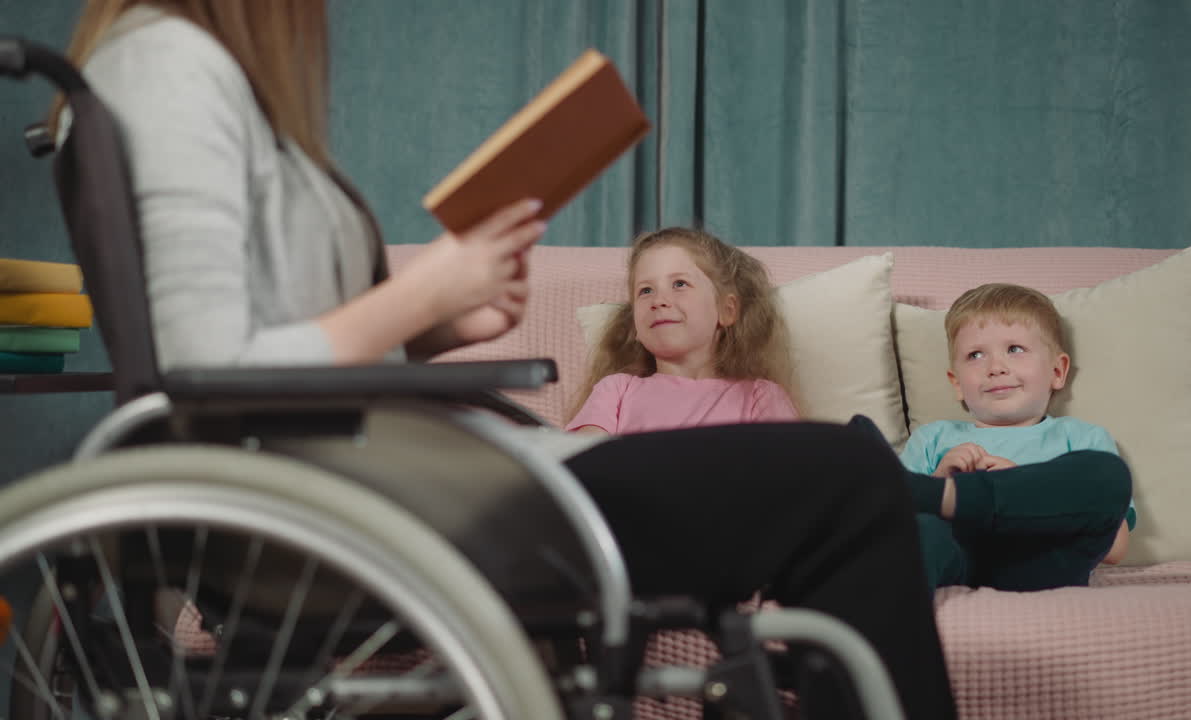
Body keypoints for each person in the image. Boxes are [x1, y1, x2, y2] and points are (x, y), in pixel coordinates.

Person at [56, 2, 956, 717]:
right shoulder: (169, 67)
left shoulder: (205, 75)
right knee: (848, 473)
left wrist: (436, 329)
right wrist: (419, 290)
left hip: (393, 473)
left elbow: (273, 347)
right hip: (369, 503)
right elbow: (204, 368)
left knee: (848, 468)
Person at [900, 283, 1134, 593]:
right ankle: (935, 494)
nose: (995, 367)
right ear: (956, 383)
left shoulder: (1079, 437)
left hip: (1041, 562)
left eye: (1015, 349)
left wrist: (1022, 490)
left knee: (1107, 472)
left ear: (1057, 370)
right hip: (958, 557)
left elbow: (1116, 548)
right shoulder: (933, 438)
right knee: (916, 528)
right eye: (975, 355)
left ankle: (941, 494)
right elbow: (894, 533)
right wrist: (941, 477)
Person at [566, 226, 798, 435]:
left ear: (727, 310)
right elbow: (584, 464)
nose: (658, 300)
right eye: (645, 291)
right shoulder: (616, 390)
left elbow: (788, 473)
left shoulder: (760, 396)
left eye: (679, 284)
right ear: (635, 326)